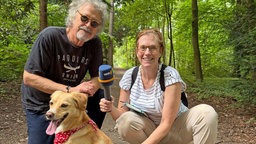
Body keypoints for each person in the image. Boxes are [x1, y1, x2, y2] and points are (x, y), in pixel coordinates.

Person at [100, 28, 218, 144]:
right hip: (149, 130)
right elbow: (122, 115)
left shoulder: (170, 76)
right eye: (143, 47)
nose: (147, 52)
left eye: (152, 48)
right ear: (137, 51)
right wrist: (111, 108)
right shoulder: (130, 76)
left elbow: (166, 123)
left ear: (160, 51)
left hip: (175, 130)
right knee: (126, 121)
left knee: (207, 113)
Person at [21, 0, 108, 144]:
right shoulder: (49, 36)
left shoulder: (94, 43)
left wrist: (87, 89)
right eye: (84, 18)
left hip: (68, 101)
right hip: (41, 102)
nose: (88, 25)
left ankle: (86, 137)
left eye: (94, 23)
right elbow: (29, 77)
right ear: (73, 16)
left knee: (100, 95)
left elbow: (97, 77)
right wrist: (71, 90)